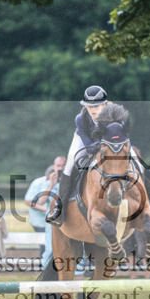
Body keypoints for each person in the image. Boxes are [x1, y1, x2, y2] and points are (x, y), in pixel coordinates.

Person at [46, 85, 111, 226]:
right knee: (69, 164)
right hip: (86, 141)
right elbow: (89, 145)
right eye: (89, 106)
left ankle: (146, 204)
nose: (93, 110)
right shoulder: (80, 119)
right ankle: (59, 207)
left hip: (110, 144)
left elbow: (117, 138)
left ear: (105, 104)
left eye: (97, 106)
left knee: (132, 158)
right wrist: (100, 146)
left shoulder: (115, 117)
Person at [25, 159, 61, 255]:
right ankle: (43, 263)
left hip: (54, 220)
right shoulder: (38, 183)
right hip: (39, 220)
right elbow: (29, 201)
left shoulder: (61, 183)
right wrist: (45, 209)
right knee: (45, 243)